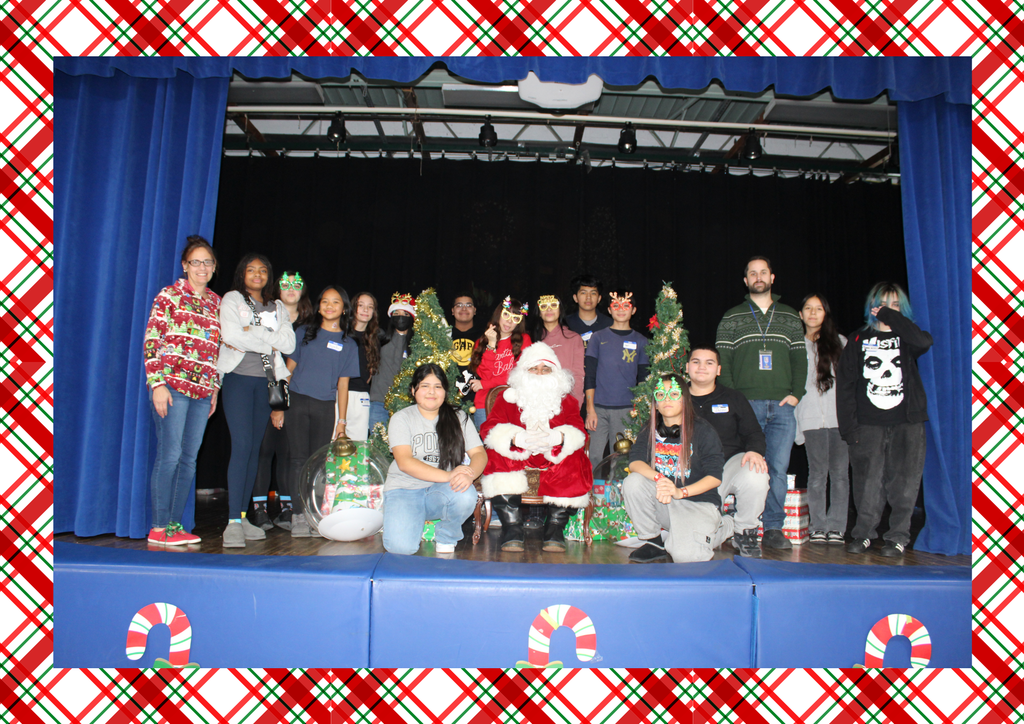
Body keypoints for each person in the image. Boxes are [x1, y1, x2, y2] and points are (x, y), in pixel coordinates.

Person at [715, 256, 806, 550]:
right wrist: (733, 399)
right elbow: (723, 361)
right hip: (746, 405)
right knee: (744, 467)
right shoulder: (732, 316)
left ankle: (774, 528)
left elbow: (799, 358)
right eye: (752, 273)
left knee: (777, 469)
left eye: (763, 272)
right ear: (745, 281)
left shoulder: (791, 316)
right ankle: (742, 525)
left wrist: (797, 393)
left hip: (782, 405)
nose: (758, 277)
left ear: (772, 277)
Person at [837, 282, 932, 557]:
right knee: (867, 483)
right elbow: (845, 387)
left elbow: (924, 342)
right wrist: (849, 428)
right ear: (872, 306)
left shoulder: (908, 337)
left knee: (904, 481)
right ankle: (864, 534)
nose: (890, 309)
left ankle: (898, 536)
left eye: (896, 305)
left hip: (907, 422)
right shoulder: (858, 339)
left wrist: (891, 317)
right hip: (867, 424)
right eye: (884, 303)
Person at [143, 236, 222, 546]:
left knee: (189, 459)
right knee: (170, 455)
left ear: (214, 267)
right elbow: (153, 341)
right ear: (185, 265)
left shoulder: (215, 302)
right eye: (196, 262)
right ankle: (159, 527)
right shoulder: (169, 295)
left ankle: (174, 526)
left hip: (202, 393)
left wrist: (214, 389)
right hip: (172, 388)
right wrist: (157, 384)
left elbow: (217, 351)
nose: (202, 267)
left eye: (207, 262)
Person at [480, 343, 592, 552]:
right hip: (520, 455)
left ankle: (555, 528)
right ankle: (512, 527)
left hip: (552, 455)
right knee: (496, 454)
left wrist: (558, 437)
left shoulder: (568, 401)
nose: (539, 374)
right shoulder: (507, 400)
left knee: (574, 457)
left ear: (556, 373)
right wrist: (515, 439)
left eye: (546, 369)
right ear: (523, 372)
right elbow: (489, 428)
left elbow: (578, 430)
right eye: (534, 368)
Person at [217, 254, 296, 548]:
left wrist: (256, 331)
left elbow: (289, 344)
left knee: (254, 449)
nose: (257, 274)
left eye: (263, 270)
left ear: (269, 276)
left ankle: (243, 515)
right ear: (242, 274)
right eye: (251, 269)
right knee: (241, 446)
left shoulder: (277, 307)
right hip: (238, 380)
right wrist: (269, 336)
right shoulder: (232, 299)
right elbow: (232, 336)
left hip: (266, 384)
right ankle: (232, 522)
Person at [622, 374, 731, 563]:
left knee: (685, 557)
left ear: (685, 399)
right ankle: (654, 541)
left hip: (698, 505)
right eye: (661, 395)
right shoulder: (650, 429)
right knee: (633, 482)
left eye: (673, 394)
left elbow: (715, 477)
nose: (667, 400)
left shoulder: (703, 431)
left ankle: (724, 527)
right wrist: (660, 479)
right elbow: (635, 462)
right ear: (655, 402)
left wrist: (681, 492)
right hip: (666, 503)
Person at [382, 363, 486, 556]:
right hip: (405, 490)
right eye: (425, 386)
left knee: (466, 494)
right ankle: (406, 516)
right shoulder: (401, 418)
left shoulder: (458, 417)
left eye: (438, 386)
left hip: (439, 492)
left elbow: (479, 453)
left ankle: (446, 535)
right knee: (400, 548)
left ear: (445, 392)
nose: (432, 392)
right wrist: (449, 475)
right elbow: (405, 462)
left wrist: (468, 476)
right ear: (413, 390)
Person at [283, 286, 359, 538]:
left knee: (317, 463)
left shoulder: (348, 344)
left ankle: (313, 514)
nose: (329, 306)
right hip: (297, 401)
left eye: (335, 302)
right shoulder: (304, 332)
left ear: (344, 308)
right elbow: (288, 370)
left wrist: (342, 422)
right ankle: (297, 516)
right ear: (318, 306)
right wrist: (279, 406)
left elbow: (343, 385)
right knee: (297, 459)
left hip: (325, 406)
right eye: (324, 301)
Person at [687, 345, 770, 558]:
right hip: (690, 475)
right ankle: (725, 526)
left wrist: (754, 451)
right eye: (696, 362)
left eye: (709, 363)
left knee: (756, 470)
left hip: (728, 466)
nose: (702, 367)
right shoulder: (675, 398)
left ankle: (745, 531)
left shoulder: (734, 398)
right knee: (696, 542)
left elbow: (754, 432)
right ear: (687, 367)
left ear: (719, 370)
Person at [251, 271, 314, 530]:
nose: (290, 288)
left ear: (303, 290)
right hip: (266, 389)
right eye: (285, 284)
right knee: (264, 450)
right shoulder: (265, 317)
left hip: (297, 395)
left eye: (296, 284)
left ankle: (289, 508)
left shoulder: (312, 325)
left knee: (289, 454)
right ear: (277, 289)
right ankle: (258, 508)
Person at [795, 294, 849, 545]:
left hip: (840, 421)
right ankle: (817, 526)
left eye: (819, 308)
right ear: (800, 314)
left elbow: (850, 386)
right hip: (811, 420)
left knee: (839, 474)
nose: (813, 313)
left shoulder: (841, 343)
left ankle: (836, 526)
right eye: (808, 308)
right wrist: (797, 427)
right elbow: (793, 389)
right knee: (817, 474)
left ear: (825, 313)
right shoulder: (794, 346)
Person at [584, 290, 649, 467]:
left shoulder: (641, 341)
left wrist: (640, 410)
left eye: (626, 306)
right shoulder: (597, 338)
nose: (621, 310)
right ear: (609, 310)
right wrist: (590, 409)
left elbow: (643, 379)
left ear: (633, 310)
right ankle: (591, 493)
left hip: (627, 410)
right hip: (598, 409)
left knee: (621, 459)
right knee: (594, 457)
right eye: (616, 306)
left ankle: (617, 494)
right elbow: (589, 375)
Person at [467, 296, 532, 429]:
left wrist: (485, 384)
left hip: (514, 402)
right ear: (498, 314)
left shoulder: (524, 340)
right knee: (486, 447)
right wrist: (491, 345)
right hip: (484, 403)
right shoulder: (481, 343)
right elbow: (485, 374)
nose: (509, 321)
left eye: (515, 318)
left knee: (513, 447)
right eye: (506, 315)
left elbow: (519, 376)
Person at [368, 293, 416, 434]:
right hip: (378, 402)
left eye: (405, 313)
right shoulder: (380, 337)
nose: (400, 317)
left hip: (405, 405)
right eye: (396, 313)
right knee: (377, 446)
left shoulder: (416, 344)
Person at [347, 292, 383, 441]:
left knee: (358, 444)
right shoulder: (343, 333)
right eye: (361, 305)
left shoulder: (375, 338)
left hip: (361, 395)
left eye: (370, 307)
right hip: (338, 393)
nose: (365, 310)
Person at [565, 274, 611, 349]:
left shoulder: (609, 325)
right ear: (575, 298)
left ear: (599, 298)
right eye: (583, 293)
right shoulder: (565, 325)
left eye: (593, 293)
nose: (588, 297)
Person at [449, 293, 482, 387]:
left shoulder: (485, 336)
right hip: (448, 391)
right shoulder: (443, 335)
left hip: (476, 391)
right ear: (452, 311)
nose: (464, 308)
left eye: (468, 305)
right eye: (459, 305)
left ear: (474, 310)